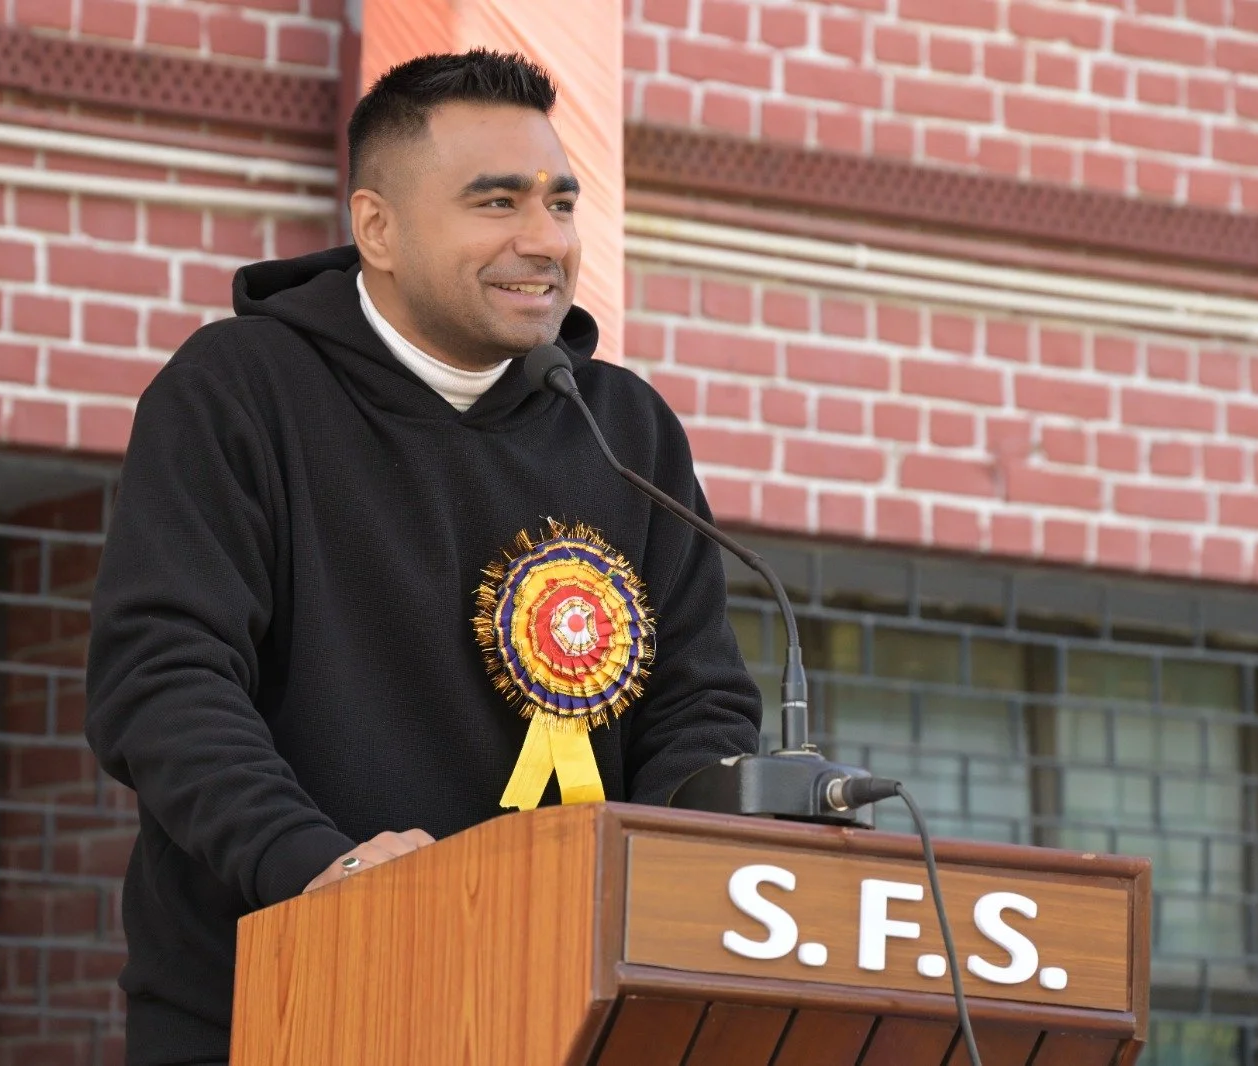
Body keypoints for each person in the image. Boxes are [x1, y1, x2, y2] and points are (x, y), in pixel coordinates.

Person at [84, 49, 762, 1064]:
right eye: (496, 203)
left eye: (560, 203)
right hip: (277, 1004)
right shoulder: (235, 391)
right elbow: (165, 680)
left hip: (568, 1016)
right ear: (378, 230)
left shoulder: (624, 426)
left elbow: (696, 704)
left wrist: (665, 890)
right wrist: (318, 867)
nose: (544, 241)